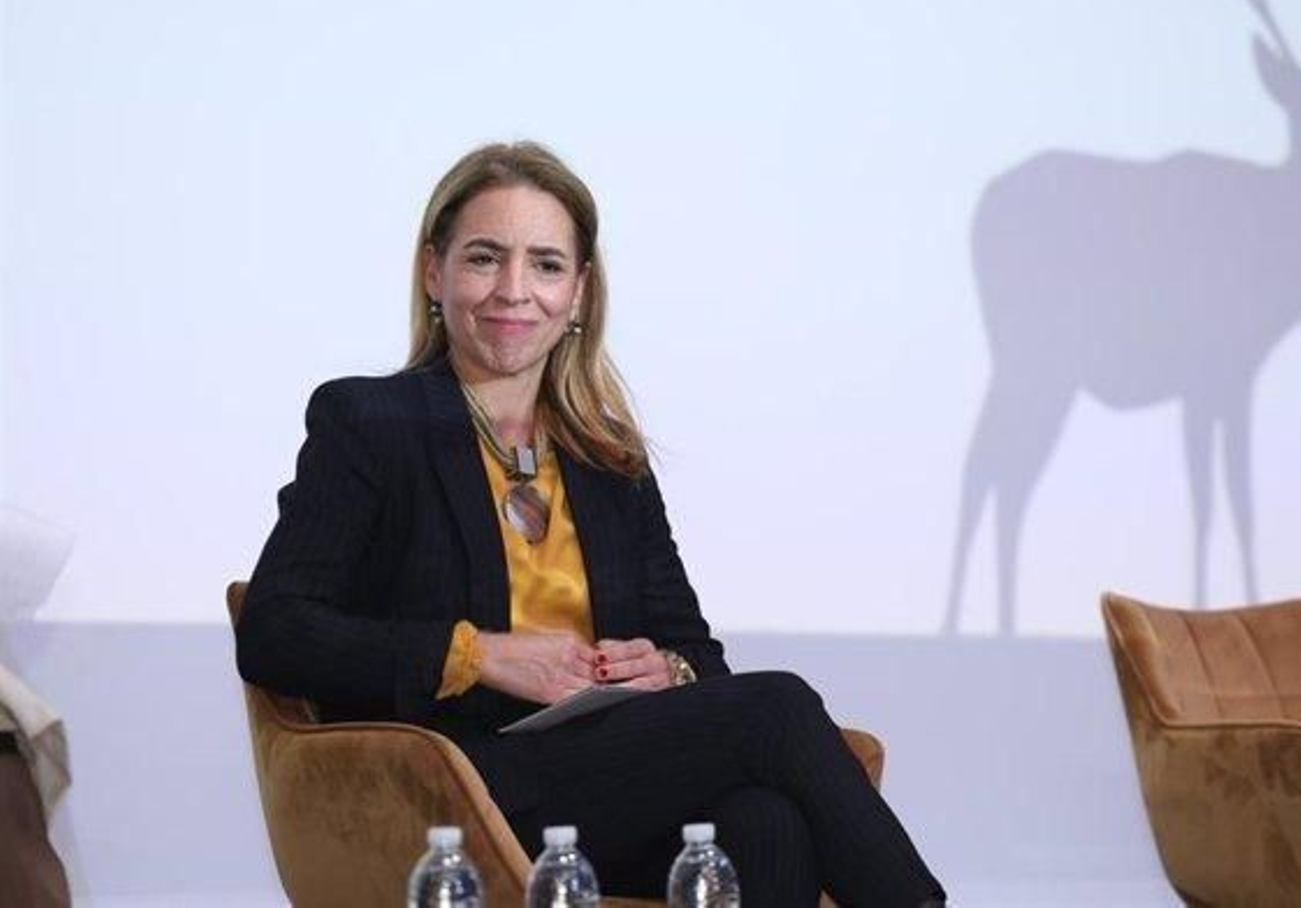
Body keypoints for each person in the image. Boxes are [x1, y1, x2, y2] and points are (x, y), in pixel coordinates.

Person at [236, 141, 945, 906]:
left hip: (601, 788)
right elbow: (276, 628)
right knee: (776, 709)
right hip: (454, 790)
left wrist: (664, 670)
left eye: (545, 264)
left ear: (578, 292)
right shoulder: (370, 423)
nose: (514, 290)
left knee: (764, 823)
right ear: (434, 272)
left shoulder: (608, 458)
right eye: (484, 258)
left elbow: (698, 654)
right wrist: (479, 655)